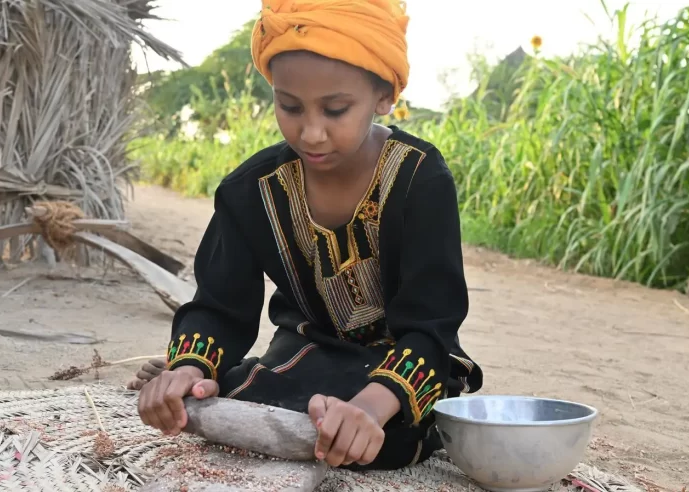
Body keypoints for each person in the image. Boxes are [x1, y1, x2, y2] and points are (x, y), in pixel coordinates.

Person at [130, 0, 483, 470]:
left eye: (336, 110)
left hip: (408, 362)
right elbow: (220, 307)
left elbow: (432, 321)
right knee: (247, 392)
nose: (311, 132)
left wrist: (368, 411)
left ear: (384, 98)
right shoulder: (249, 190)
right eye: (289, 106)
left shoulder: (420, 178)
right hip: (303, 355)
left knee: (390, 434)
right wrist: (189, 369)